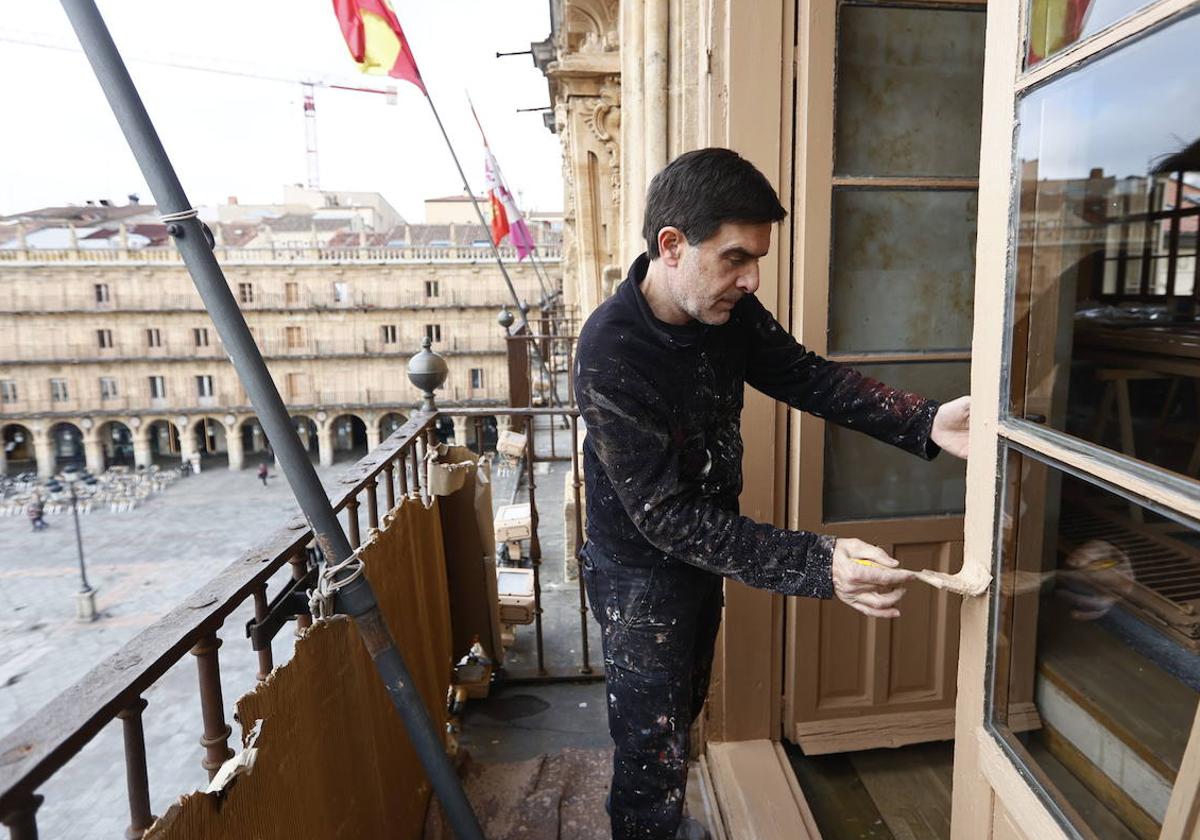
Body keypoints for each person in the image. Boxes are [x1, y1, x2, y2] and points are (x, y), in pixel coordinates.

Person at [574, 148, 971, 840]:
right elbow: (666, 518)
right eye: (734, 259)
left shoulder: (727, 313)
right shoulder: (609, 353)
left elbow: (805, 377)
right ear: (672, 246)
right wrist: (821, 564)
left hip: (703, 550)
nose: (752, 279)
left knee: (683, 708)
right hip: (637, 573)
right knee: (650, 743)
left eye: (756, 258)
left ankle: (664, 825)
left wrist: (924, 420)